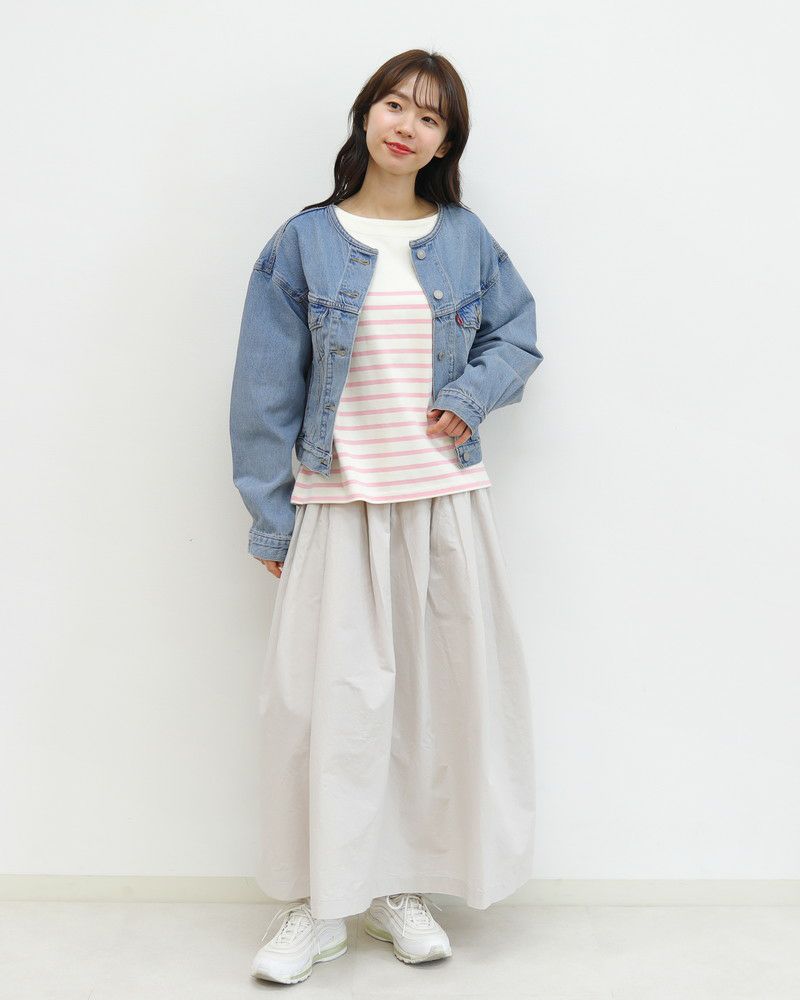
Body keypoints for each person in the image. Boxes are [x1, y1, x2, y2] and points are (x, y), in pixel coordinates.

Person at [229, 48, 544, 985]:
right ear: (366, 114)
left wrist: (471, 394)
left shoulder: (465, 238)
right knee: (322, 711)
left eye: (431, 117)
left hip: (443, 507)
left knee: (430, 708)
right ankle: (314, 906)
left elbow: (518, 335)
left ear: (446, 144)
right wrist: (271, 518)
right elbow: (262, 392)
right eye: (396, 105)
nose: (408, 125)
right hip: (338, 504)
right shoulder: (304, 242)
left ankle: (399, 888)